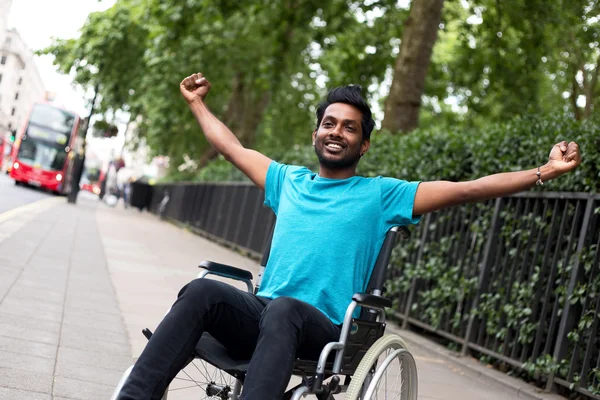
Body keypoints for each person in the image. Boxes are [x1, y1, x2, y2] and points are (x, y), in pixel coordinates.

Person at [116, 72, 581, 400]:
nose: (337, 132)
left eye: (350, 128)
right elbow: (230, 146)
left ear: (364, 144)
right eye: (329, 123)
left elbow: (467, 189)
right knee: (200, 292)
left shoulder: (382, 195)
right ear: (317, 133)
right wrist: (197, 103)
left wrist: (544, 171)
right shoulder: (288, 181)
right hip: (265, 315)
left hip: (322, 329)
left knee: (284, 310)